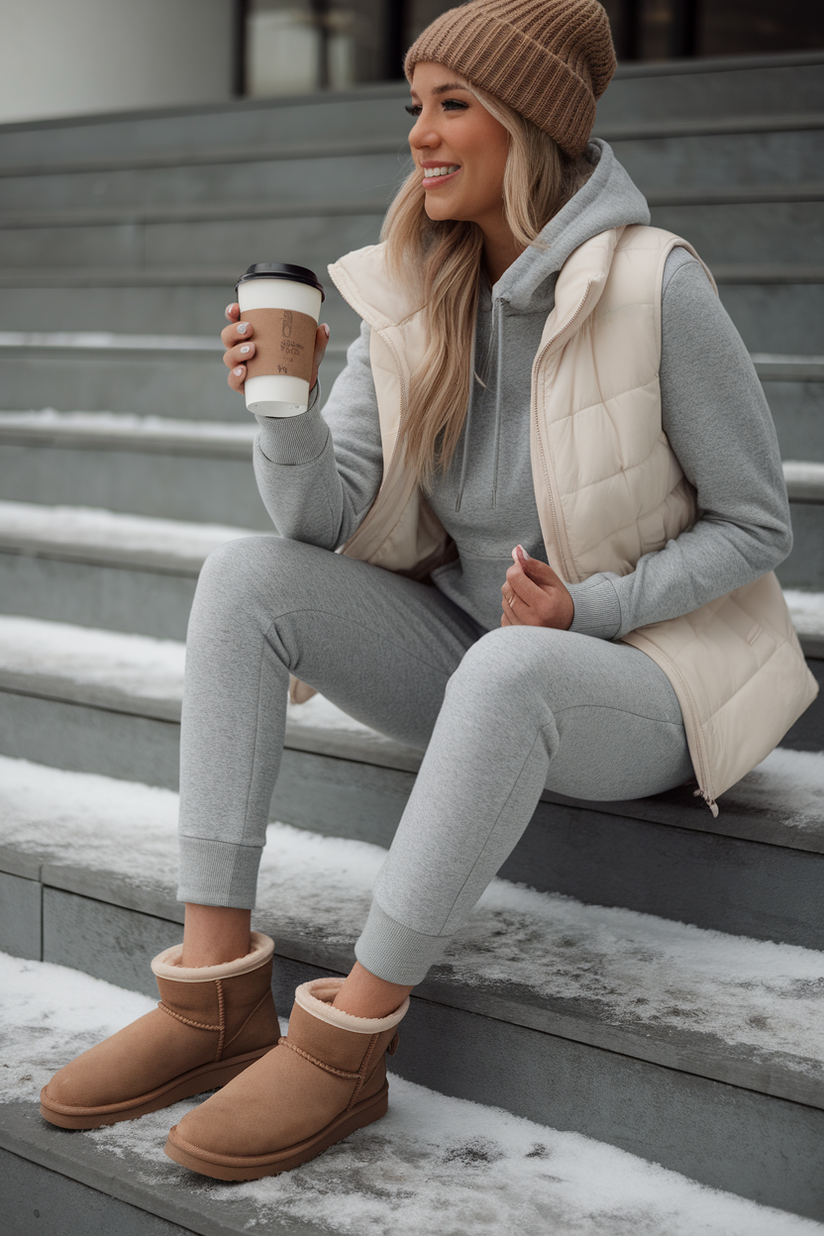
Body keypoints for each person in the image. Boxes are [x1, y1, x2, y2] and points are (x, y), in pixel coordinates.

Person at [40, 0, 816, 1185]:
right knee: (244, 577)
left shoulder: (655, 287)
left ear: (528, 126)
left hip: (646, 678)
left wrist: (589, 611)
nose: (420, 134)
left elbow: (756, 525)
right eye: (416, 104)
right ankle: (212, 999)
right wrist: (282, 411)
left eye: (454, 104)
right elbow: (316, 523)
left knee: (509, 665)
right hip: (477, 654)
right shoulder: (410, 287)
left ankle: (348, 1040)